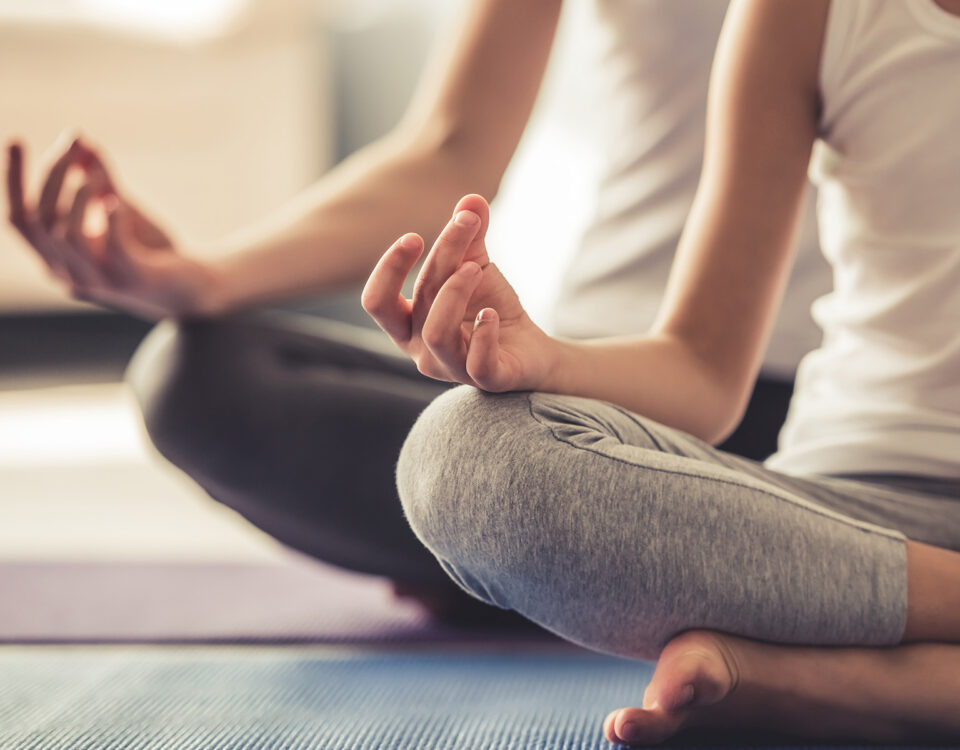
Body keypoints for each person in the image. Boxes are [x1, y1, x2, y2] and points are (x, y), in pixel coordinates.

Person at [5, 1, 827, 619]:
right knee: (196, 375)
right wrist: (204, 278)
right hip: (580, 387)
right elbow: (451, 146)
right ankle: (570, 575)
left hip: (810, 412)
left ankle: (527, 577)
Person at [361, 0, 960, 743]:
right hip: (844, 517)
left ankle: (835, 681)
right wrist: (543, 358)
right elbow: (702, 373)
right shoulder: (798, 13)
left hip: (862, 569)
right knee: (463, 454)